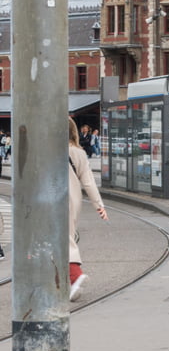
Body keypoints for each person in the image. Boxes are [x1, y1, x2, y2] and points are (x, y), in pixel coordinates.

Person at [68, 117, 109, 301]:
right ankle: (66, 281)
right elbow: (89, 183)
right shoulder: (79, 152)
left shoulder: (47, 151)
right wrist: (99, 206)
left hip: (51, 201)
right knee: (65, 237)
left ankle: (75, 276)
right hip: (72, 201)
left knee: (60, 240)